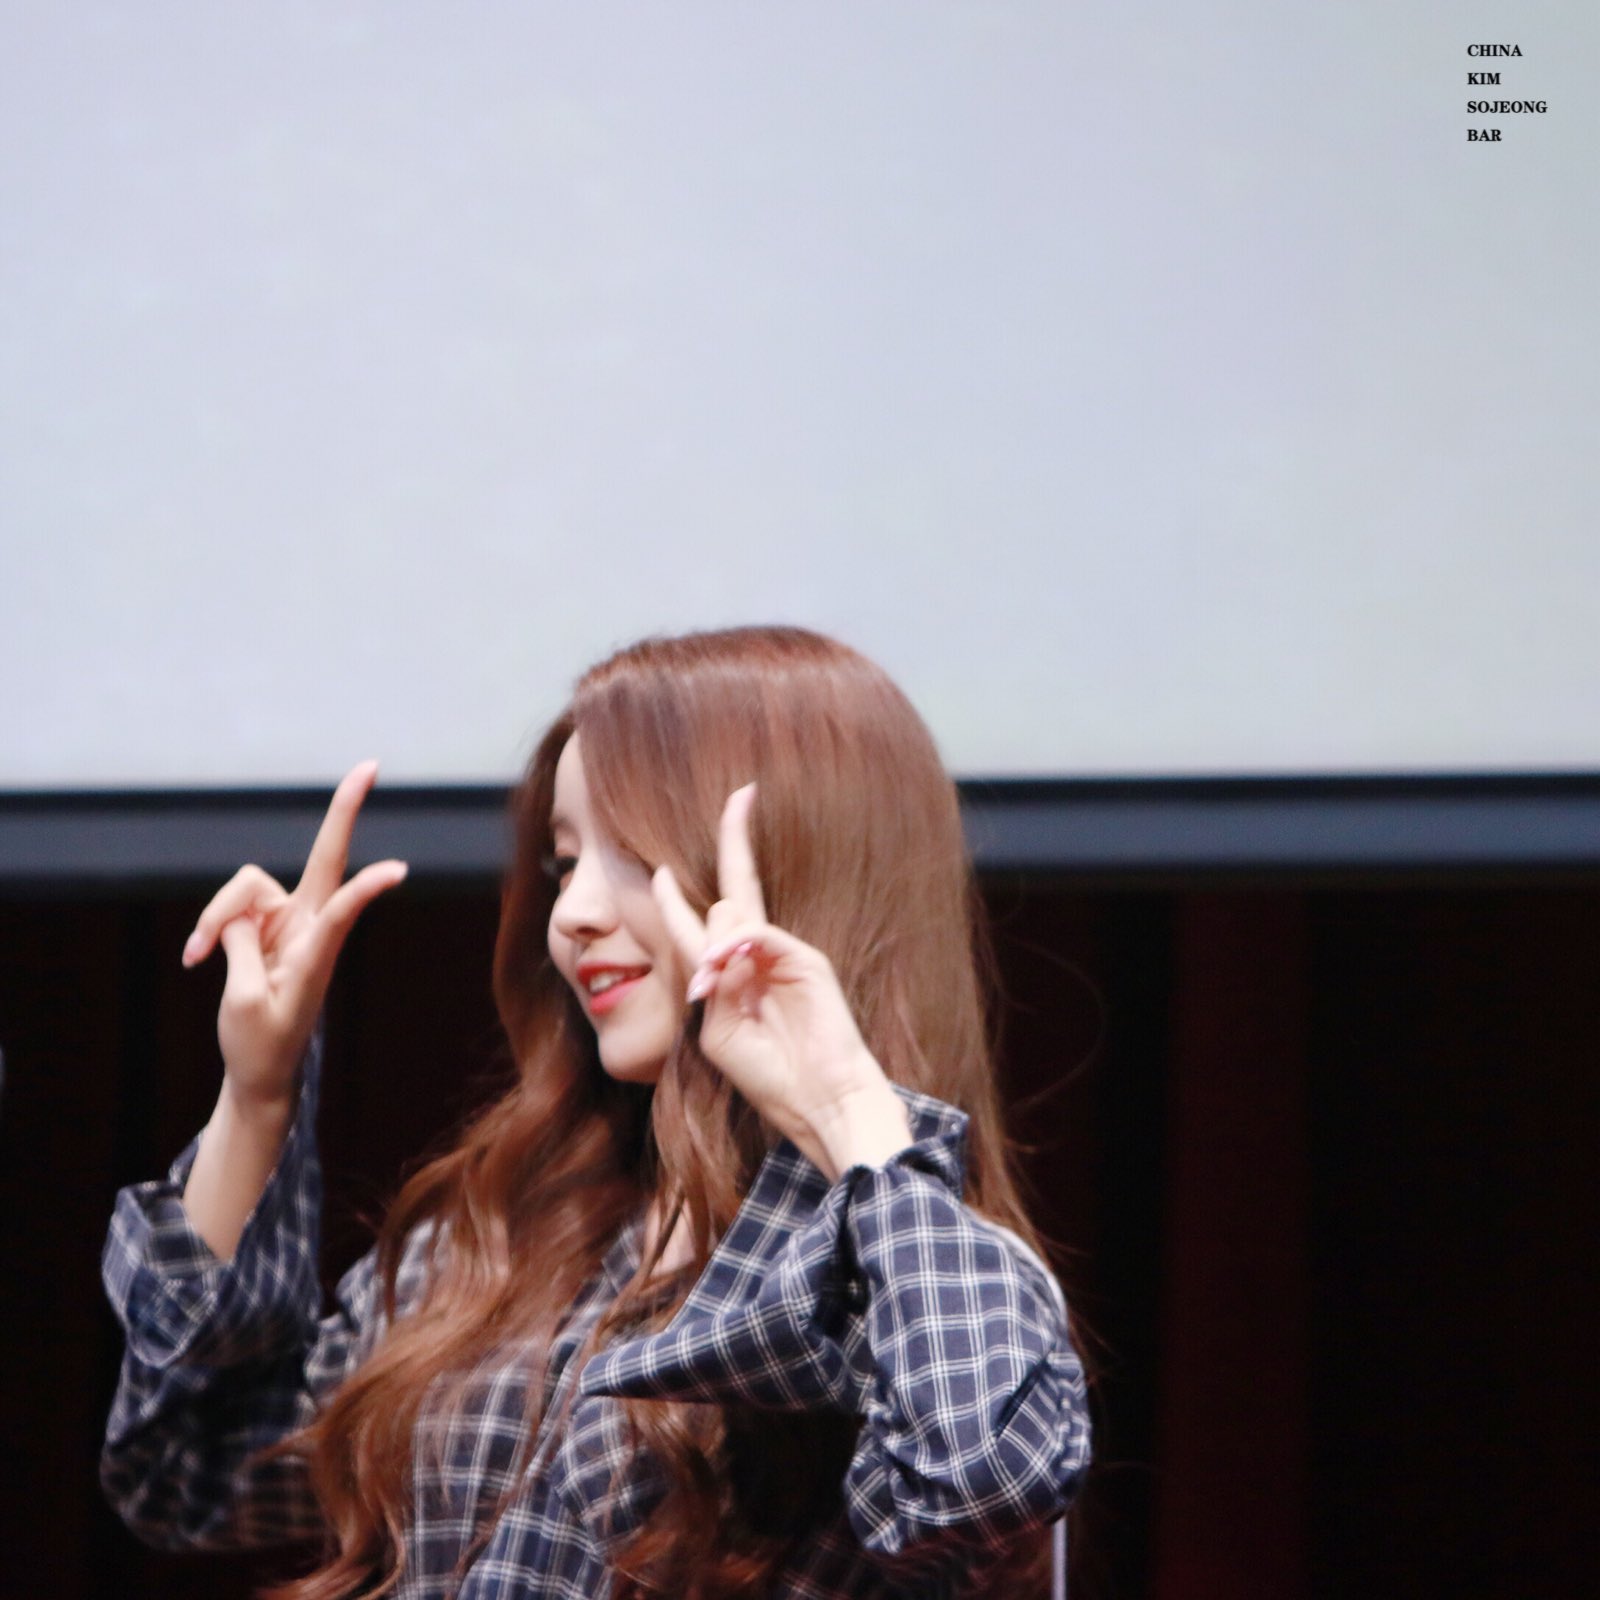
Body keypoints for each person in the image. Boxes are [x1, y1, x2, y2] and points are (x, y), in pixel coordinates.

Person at [101, 625, 1091, 1599]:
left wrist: (845, 1108)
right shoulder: (501, 1239)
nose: (572, 911)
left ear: (794, 869)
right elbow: (189, 1472)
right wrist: (258, 1093)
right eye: (566, 861)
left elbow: (980, 1479)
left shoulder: (922, 1274)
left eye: (632, 852)